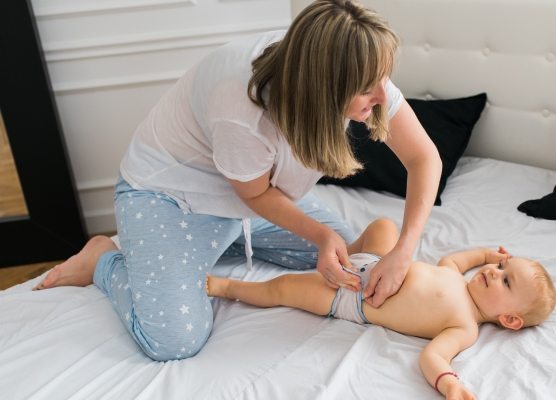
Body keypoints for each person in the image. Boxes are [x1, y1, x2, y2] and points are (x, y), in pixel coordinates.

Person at [30, 0, 441, 362]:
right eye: (370, 88)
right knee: (173, 340)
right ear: (325, 88)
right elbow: (255, 193)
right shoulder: (242, 104)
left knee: (348, 257)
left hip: (247, 194)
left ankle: (220, 244)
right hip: (173, 196)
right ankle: (102, 258)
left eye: (382, 81)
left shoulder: (348, 60)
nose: (383, 96)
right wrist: (317, 235)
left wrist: (405, 249)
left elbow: (424, 157)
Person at [206, 219, 556, 399]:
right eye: (502, 268)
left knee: (284, 288)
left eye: (506, 282)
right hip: (376, 262)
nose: (494, 274)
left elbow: (432, 358)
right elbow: (454, 259)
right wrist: (486, 255)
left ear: (509, 319)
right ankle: (341, 254)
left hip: (351, 295)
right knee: (384, 226)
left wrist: (449, 383)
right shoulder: (456, 277)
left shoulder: (464, 326)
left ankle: (227, 287)